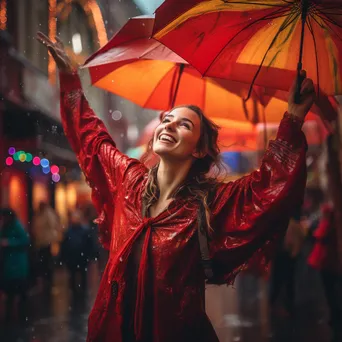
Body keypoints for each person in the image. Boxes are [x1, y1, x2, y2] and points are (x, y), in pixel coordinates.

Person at [37, 31, 314, 342]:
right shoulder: (128, 180)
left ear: (198, 150)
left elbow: (268, 188)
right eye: (166, 119)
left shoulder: (211, 203)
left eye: (184, 124)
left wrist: (293, 117)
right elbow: (91, 136)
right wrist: (68, 77)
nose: (168, 124)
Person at [0, 208, 30, 322]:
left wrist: (9, 243)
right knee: (10, 293)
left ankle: (21, 316)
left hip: (17, 264)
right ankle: (12, 316)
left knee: (19, 292)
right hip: (10, 265)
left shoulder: (17, 226)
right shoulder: (6, 226)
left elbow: (25, 240)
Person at [60, 210, 92, 297]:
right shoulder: (69, 232)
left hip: (81, 257)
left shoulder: (84, 231)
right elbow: (64, 245)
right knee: (73, 275)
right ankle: (75, 292)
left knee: (82, 275)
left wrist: (90, 255)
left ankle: (82, 292)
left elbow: (89, 244)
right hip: (73, 257)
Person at [32, 201, 61, 288]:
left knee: (46, 261)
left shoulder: (47, 214)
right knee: (44, 261)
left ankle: (48, 279)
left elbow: (53, 226)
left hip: (46, 241)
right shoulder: (40, 214)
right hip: (41, 241)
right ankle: (46, 279)